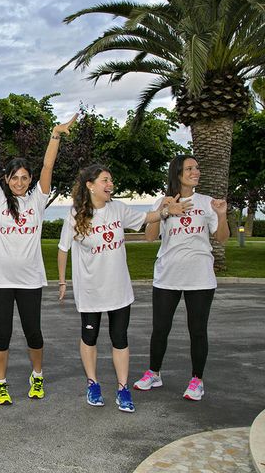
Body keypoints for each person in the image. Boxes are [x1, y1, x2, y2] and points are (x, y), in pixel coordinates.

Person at [57, 164, 190, 413]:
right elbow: (63, 249)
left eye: (111, 180)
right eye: (106, 180)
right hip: (90, 291)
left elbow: (146, 218)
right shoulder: (75, 215)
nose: (111, 185)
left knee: (120, 339)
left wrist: (165, 212)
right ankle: (93, 383)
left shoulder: (117, 208)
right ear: (90, 185)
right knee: (90, 337)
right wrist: (63, 281)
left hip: (119, 290)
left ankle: (122, 388)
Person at [0, 102, 77, 405]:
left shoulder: (36, 201)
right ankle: (1, 383)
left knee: (34, 332)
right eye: (14, 177)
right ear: (7, 180)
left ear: (29, 180)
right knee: (2, 334)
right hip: (0, 281)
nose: (19, 181)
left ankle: (37, 376)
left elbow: (48, 166)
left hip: (31, 281)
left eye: (24, 177)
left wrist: (55, 135)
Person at [133, 155, 229, 401]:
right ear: (177, 173)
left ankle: (197, 380)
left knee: (197, 331)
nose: (196, 171)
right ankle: (154, 373)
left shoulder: (207, 202)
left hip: (200, 277)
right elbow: (150, 237)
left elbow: (221, 238)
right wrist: (161, 211)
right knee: (160, 329)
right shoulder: (162, 201)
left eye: (197, 167)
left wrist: (221, 214)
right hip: (167, 276)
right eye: (190, 168)